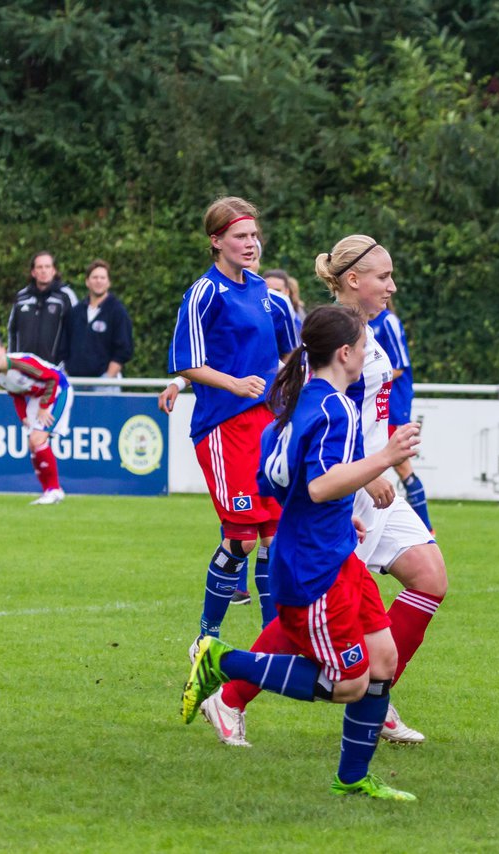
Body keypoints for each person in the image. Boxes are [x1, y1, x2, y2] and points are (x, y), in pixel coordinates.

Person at [200, 235, 444, 748]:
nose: (391, 286)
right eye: (383, 277)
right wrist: (370, 467)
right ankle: (230, 696)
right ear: (353, 280)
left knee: (430, 578)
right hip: (346, 490)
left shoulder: (367, 334)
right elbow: (310, 418)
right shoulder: (337, 340)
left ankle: (378, 692)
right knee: (310, 609)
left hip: (374, 483)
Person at [181, 304, 422, 801]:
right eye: (363, 346)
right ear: (346, 353)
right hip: (314, 568)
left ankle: (353, 778)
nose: (367, 355)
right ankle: (224, 661)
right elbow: (317, 487)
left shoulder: (291, 404)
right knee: (349, 684)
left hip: (334, 551)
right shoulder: (337, 408)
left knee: (383, 657)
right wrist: (386, 457)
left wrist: (339, 517)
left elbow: (275, 482)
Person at [159, 197, 299, 651]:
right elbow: (187, 361)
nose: (251, 243)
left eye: (254, 236)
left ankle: (271, 639)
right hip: (223, 428)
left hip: (267, 426)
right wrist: (234, 384)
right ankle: (207, 637)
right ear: (216, 241)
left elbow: (291, 357)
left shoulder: (267, 295)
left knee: (274, 536)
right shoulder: (204, 293)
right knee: (240, 538)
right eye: (241, 236)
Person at [0, 334, 72, 504]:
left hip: (59, 390)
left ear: (3, 350)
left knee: (38, 439)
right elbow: (16, 395)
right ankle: (48, 492)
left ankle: (54, 490)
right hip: (40, 396)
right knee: (32, 444)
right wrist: (23, 416)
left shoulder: (22, 364)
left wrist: (44, 407)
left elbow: (53, 378)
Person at [368, 300, 432, 533]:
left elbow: (399, 367)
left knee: (401, 467)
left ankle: (426, 527)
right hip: (376, 405)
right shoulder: (360, 321)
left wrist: (360, 377)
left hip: (393, 404)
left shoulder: (388, 321)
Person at [63, 260, 134, 392]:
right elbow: (65, 345)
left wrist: (107, 377)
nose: (98, 281)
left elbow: (124, 349)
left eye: (102, 277)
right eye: (95, 277)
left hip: (103, 383)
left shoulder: (117, 311)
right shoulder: (76, 312)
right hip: (75, 382)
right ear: (87, 282)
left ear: (108, 282)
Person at [7, 252, 78, 365]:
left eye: (47, 266)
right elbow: (12, 330)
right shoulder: (21, 297)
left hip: (55, 368)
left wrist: (67, 364)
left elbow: (76, 332)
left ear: (53, 271)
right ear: (33, 272)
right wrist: (12, 360)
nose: (43, 270)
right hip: (24, 369)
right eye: (39, 267)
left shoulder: (66, 296)